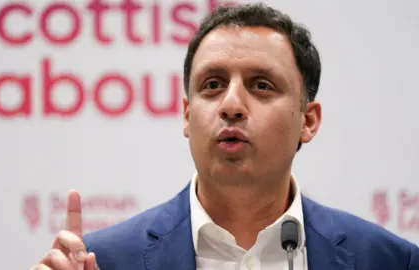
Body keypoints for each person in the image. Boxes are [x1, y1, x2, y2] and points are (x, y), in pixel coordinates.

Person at [30, 3, 419, 270]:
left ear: (309, 121)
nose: (231, 105)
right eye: (213, 84)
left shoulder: (389, 260)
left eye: (262, 85)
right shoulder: (105, 261)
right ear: (187, 115)